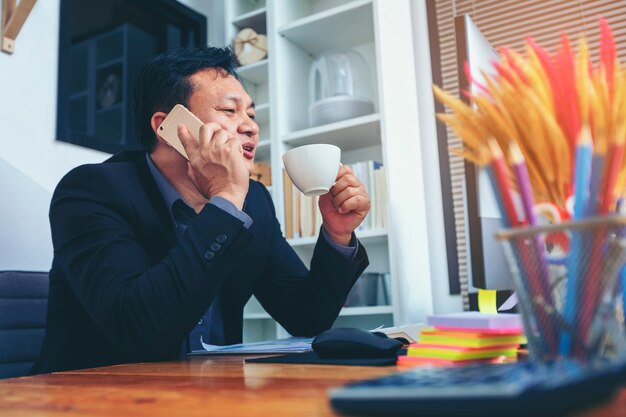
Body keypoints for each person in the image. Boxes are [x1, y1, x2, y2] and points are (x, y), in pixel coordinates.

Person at [32, 47, 371, 374]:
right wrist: (225, 201)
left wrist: (338, 235)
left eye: (251, 114)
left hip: (213, 394)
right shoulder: (91, 192)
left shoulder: (254, 201)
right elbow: (136, 329)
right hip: (91, 397)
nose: (251, 126)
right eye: (229, 111)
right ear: (169, 127)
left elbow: (306, 317)